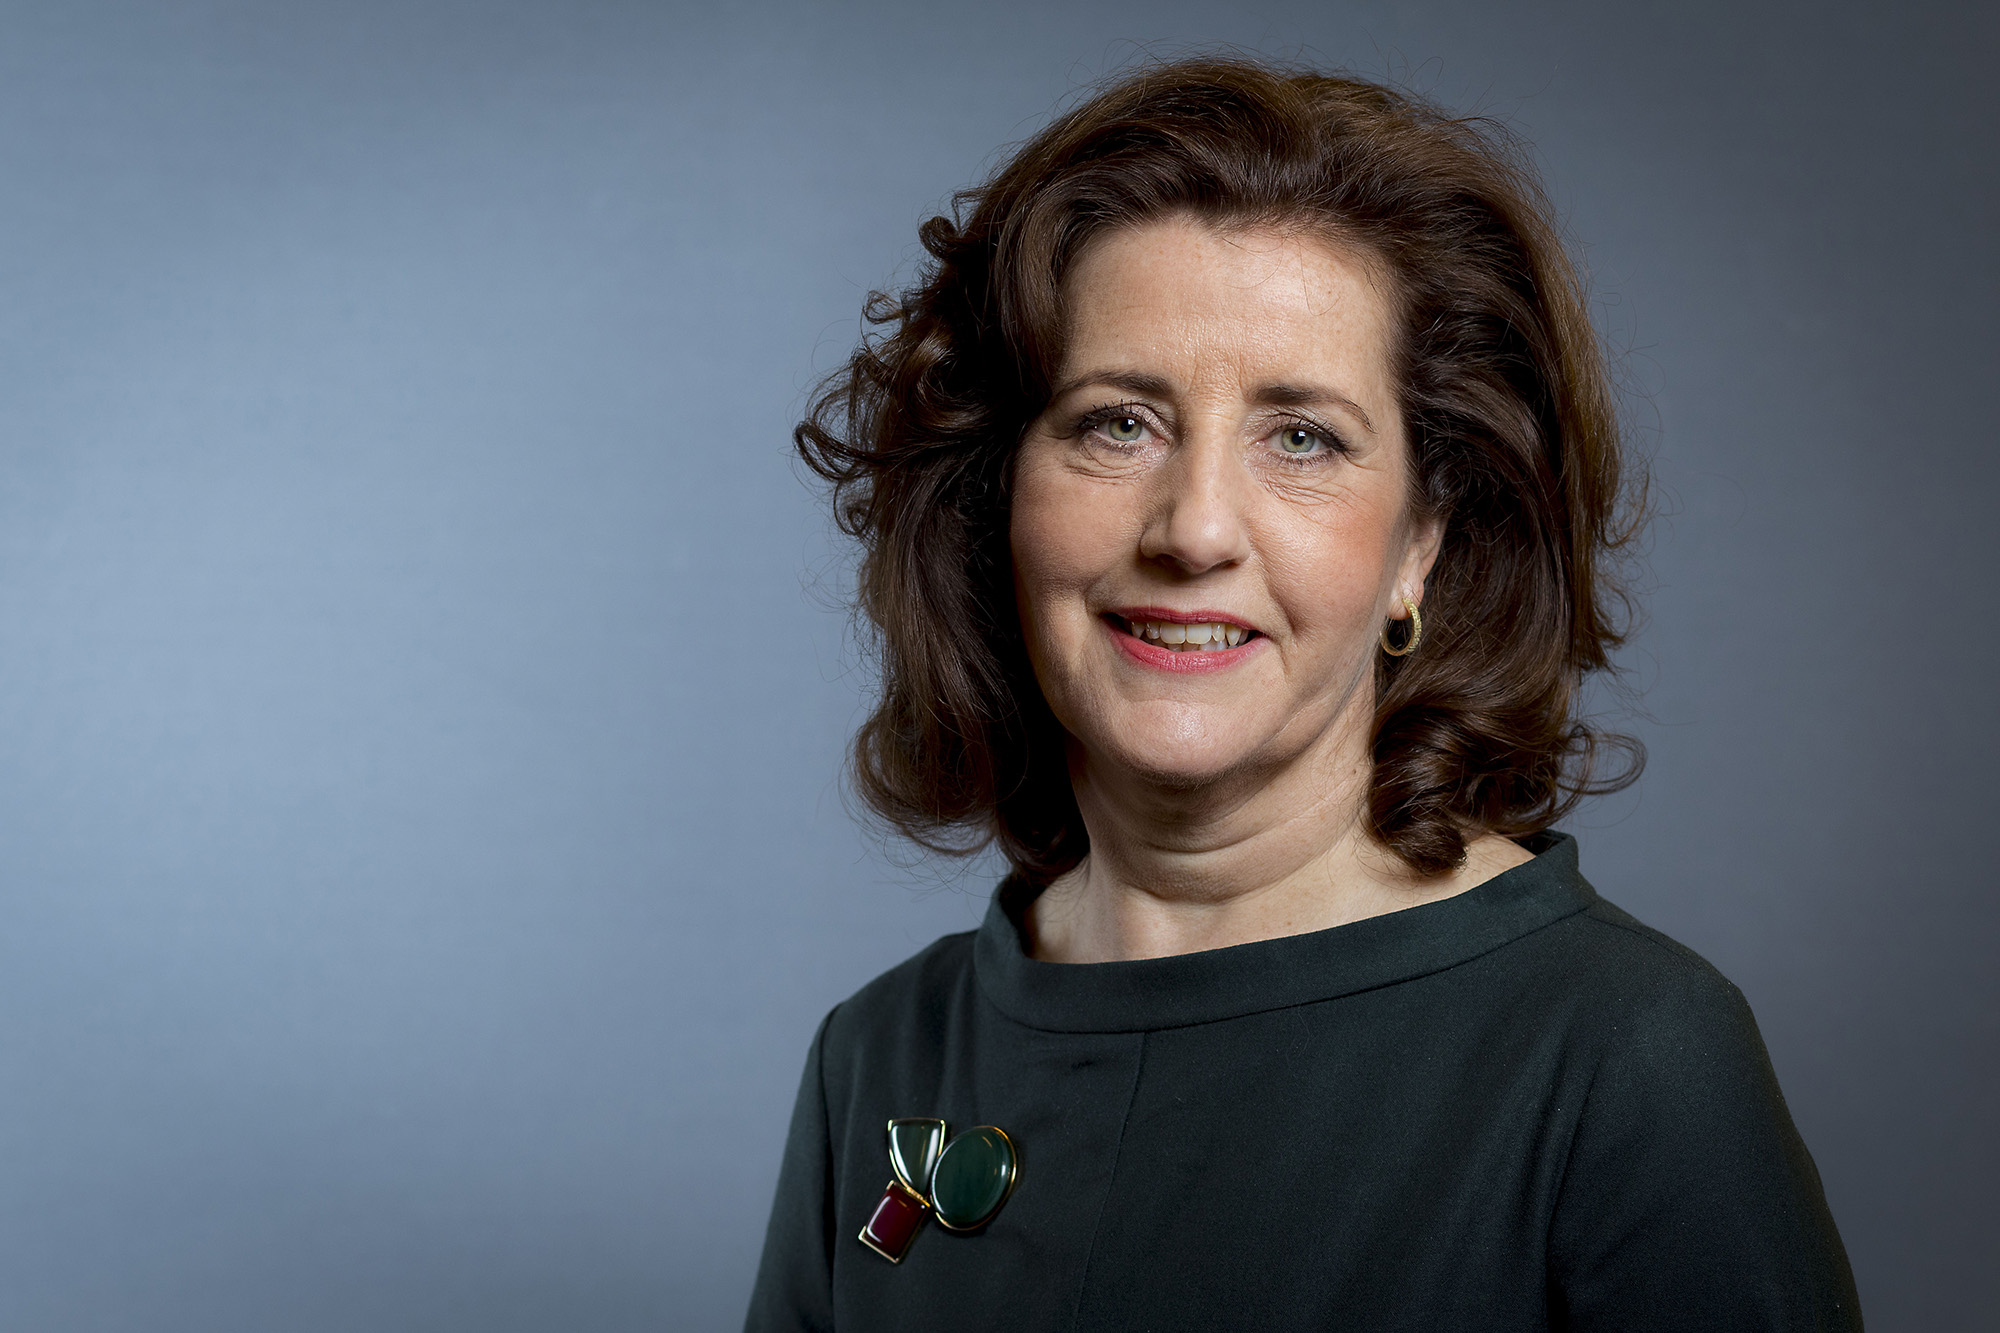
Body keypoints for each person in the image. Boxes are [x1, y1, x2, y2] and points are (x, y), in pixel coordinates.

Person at [746, 57, 1859, 1331]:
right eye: (1118, 423)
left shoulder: (1623, 1055)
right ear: (996, 490)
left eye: (1301, 437)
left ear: (1421, 542)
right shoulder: (878, 1054)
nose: (1193, 528)